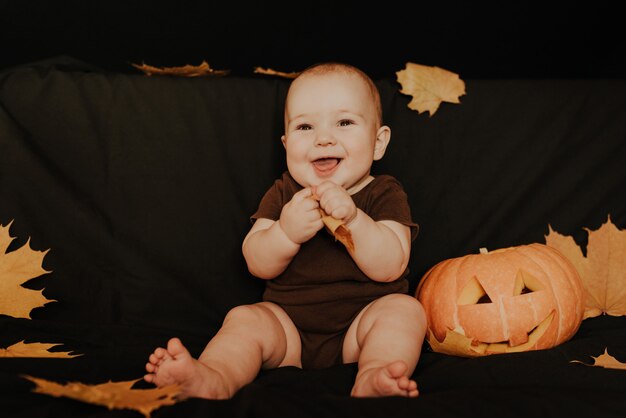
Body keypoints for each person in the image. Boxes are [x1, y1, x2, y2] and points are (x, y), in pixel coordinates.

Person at [144, 62, 427, 399]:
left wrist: (353, 220)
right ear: (286, 143)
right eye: (305, 127)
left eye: (345, 122)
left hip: (361, 328)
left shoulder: (383, 192)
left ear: (378, 142)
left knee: (404, 310)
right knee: (245, 318)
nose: (323, 138)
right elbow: (257, 262)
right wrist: (285, 233)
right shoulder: (284, 193)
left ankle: (374, 374)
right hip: (288, 329)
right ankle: (213, 377)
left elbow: (391, 266)